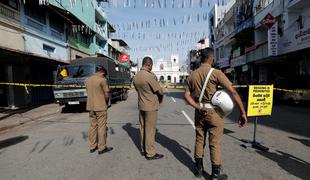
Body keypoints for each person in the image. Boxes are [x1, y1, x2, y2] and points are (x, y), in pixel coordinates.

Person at [184, 48, 248, 179]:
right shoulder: (216, 73)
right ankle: (215, 174)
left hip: (199, 111)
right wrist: (243, 112)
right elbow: (233, 92)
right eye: (213, 58)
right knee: (215, 143)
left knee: (199, 139)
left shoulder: (192, 75)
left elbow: (186, 95)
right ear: (211, 58)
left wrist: (197, 106)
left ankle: (198, 169)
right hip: (214, 112)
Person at [133, 56, 164, 160]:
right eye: (151, 65)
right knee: (150, 130)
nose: (151, 67)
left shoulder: (136, 76)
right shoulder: (149, 76)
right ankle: (150, 153)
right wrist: (160, 99)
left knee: (142, 128)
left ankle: (143, 149)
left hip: (141, 105)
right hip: (151, 106)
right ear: (149, 65)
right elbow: (160, 91)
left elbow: (138, 90)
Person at [85, 65, 113, 154]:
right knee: (102, 127)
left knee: (93, 126)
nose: (104, 77)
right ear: (103, 72)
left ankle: (92, 147)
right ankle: (102, 148)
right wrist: (106, 103)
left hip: (90, 107)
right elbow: (106, 94)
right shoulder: (102, 80)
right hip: (100, 107)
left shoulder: (88, 80)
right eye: (104, 75)